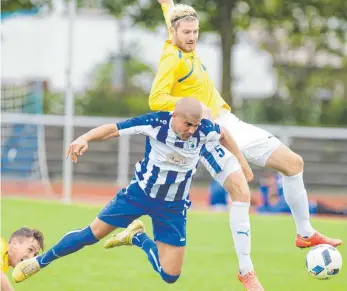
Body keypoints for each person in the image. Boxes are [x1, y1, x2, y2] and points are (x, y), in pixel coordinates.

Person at [150, 0, 342, 252]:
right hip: (212, 133)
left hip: (231, 122)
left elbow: (174, 19)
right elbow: (156, 99)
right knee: (242, 194)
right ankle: (246, 267)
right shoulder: (172, 59)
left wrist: (167, 1)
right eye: (187, 33)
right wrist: (191, 106)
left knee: (294, 163)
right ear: (174, 33)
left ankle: (305, 233)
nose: (193, 37)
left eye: (196, 32)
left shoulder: (185, 43)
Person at [12, 97, 264, 290]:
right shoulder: (155, 123)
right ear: (174, 116)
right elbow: (113, 128)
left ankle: (137, 237)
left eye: (195, 125)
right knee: (92, 234)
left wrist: (241, 162)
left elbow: (224, 134)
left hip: (173, 206)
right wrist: (84, 138)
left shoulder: (203, 129)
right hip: (138, 194)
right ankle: (40, 262)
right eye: (187, 124)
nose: (191, 130)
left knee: (170, 276)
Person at [257, 171, 347, 216]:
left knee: (333, 212)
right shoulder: (266, 191)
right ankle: (342, 211)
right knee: (333, 212)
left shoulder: (282, 191)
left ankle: (343, 211)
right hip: (310, 209)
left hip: (311, 207)